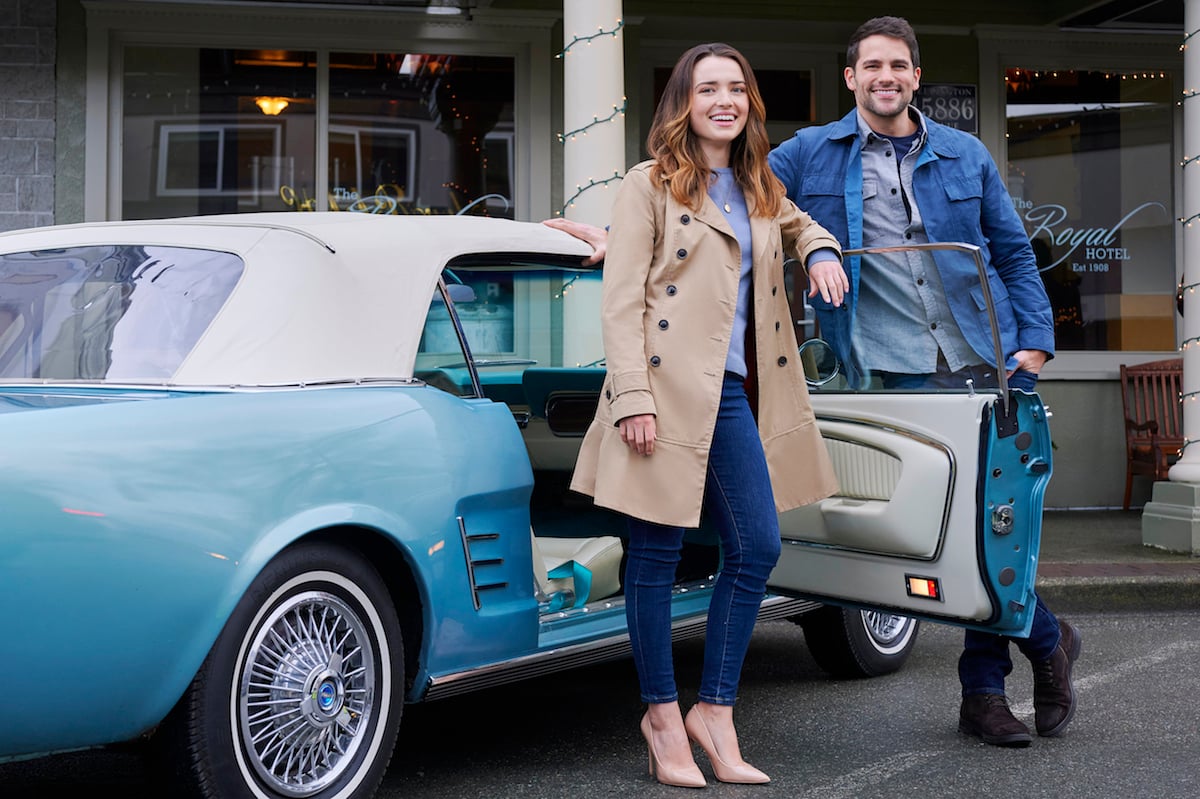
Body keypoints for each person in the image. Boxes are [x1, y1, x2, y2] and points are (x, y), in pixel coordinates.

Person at [548, 17, 1081, 751]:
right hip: (882, 371)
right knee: (941, 541)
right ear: (852, 79)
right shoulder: (808, 153)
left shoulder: (966, 154)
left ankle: (986, 690)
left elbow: (1014, 251)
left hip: (983, 359)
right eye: (872, 67)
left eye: (899, 66)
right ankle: (1045, 642)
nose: (886, 77)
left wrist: (1036, 342)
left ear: (915, 77)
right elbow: (711, 202)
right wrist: (622, 241)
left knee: (992, 533)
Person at [567, 42, 842, 787]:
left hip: (730, 399)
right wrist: (630, 398)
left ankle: (713, 708)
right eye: (707, 87)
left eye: (736, 88)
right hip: (660, 394)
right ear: (683, 102)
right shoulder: (647, 183)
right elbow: (622, 300)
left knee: (757, 544)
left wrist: (819, 249)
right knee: (653, 559)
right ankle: (661, 713)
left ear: (750, 102)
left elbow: (798, 223)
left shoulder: (759, 184)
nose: (724, 99)